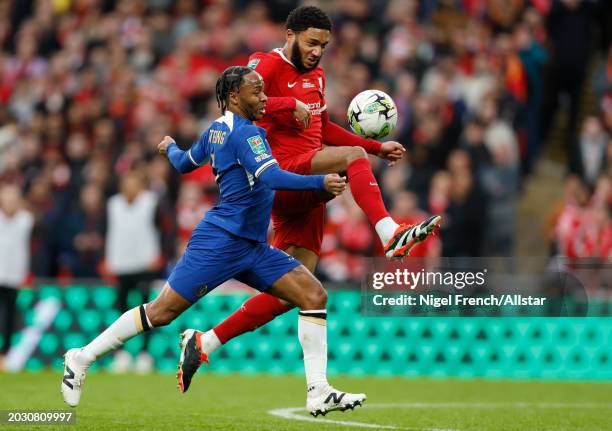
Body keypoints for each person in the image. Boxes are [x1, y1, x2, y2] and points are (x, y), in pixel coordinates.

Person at [61, 66, 365, 417]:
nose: (264, 98)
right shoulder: (247, 135)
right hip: (219, 242)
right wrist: (319, 183)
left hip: (252, 246)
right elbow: (272, 177)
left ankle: (318, 391)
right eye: (256, 92)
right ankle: (80, 358)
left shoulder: (217, 131)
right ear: (235, 96)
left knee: (314, 295)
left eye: (264, 91)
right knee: (161, 312)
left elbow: (184, 163)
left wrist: (170, 146)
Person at [180, 5, 441, 384]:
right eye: (312, 41)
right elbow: (234, 103)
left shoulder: (316, 75)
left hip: (307, 186)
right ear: (290, 35)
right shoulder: (265, 65)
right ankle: (389, 232)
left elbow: (322, 129)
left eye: (324, 44)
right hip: (282, 172)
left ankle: (206, 342)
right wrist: (290, 105)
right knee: (350, 158)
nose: (318, 50)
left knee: (297, 291)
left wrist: (373, 146)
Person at [0, 184, 34, 367]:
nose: (10, 204)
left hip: (14, 275)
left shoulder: (25, 220)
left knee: (11, 316)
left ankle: (5, 354)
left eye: (13, 200)